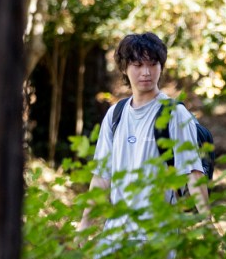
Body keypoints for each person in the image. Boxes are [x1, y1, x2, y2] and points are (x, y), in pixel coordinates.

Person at [78, 32, 210, 237]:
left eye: (153, 64)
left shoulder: (174, 113)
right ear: (125, 68)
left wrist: (208, 225)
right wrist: (85, 224)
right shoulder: (115, 114)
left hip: (158, 231)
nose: (146, 72)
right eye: (138, 65)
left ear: (161, 67)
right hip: (116, 228)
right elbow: (102, 175)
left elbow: (193, 173)